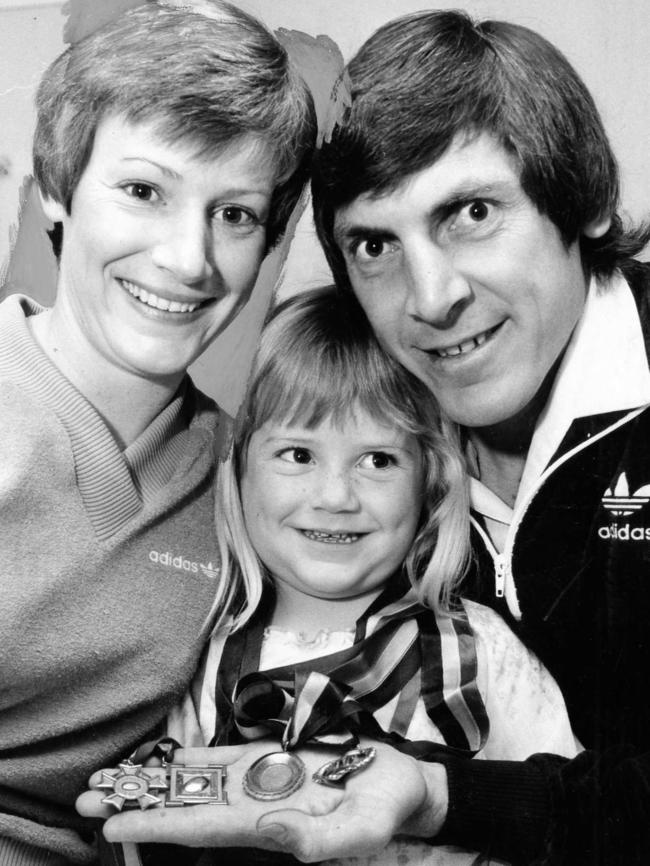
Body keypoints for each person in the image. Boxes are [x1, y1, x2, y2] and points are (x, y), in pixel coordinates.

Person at [78, 9, 650, 866]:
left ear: (586, 201)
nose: (430, 297)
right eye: (375, 243)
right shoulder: (393, 410)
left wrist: (443, 798)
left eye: (472, 213)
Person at [92, 286, 578, 866]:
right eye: (298, 454)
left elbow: (568, 818)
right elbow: (151, 828)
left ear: (431, 481)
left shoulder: (479, 652)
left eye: (378, 460)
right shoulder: (197, 657)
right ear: (238, 467)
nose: (335, 496)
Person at [0, 2, 317, 863]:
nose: (189, 259)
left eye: (237, 214)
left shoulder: (261, 480)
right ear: (59, 191)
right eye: (144, 191)